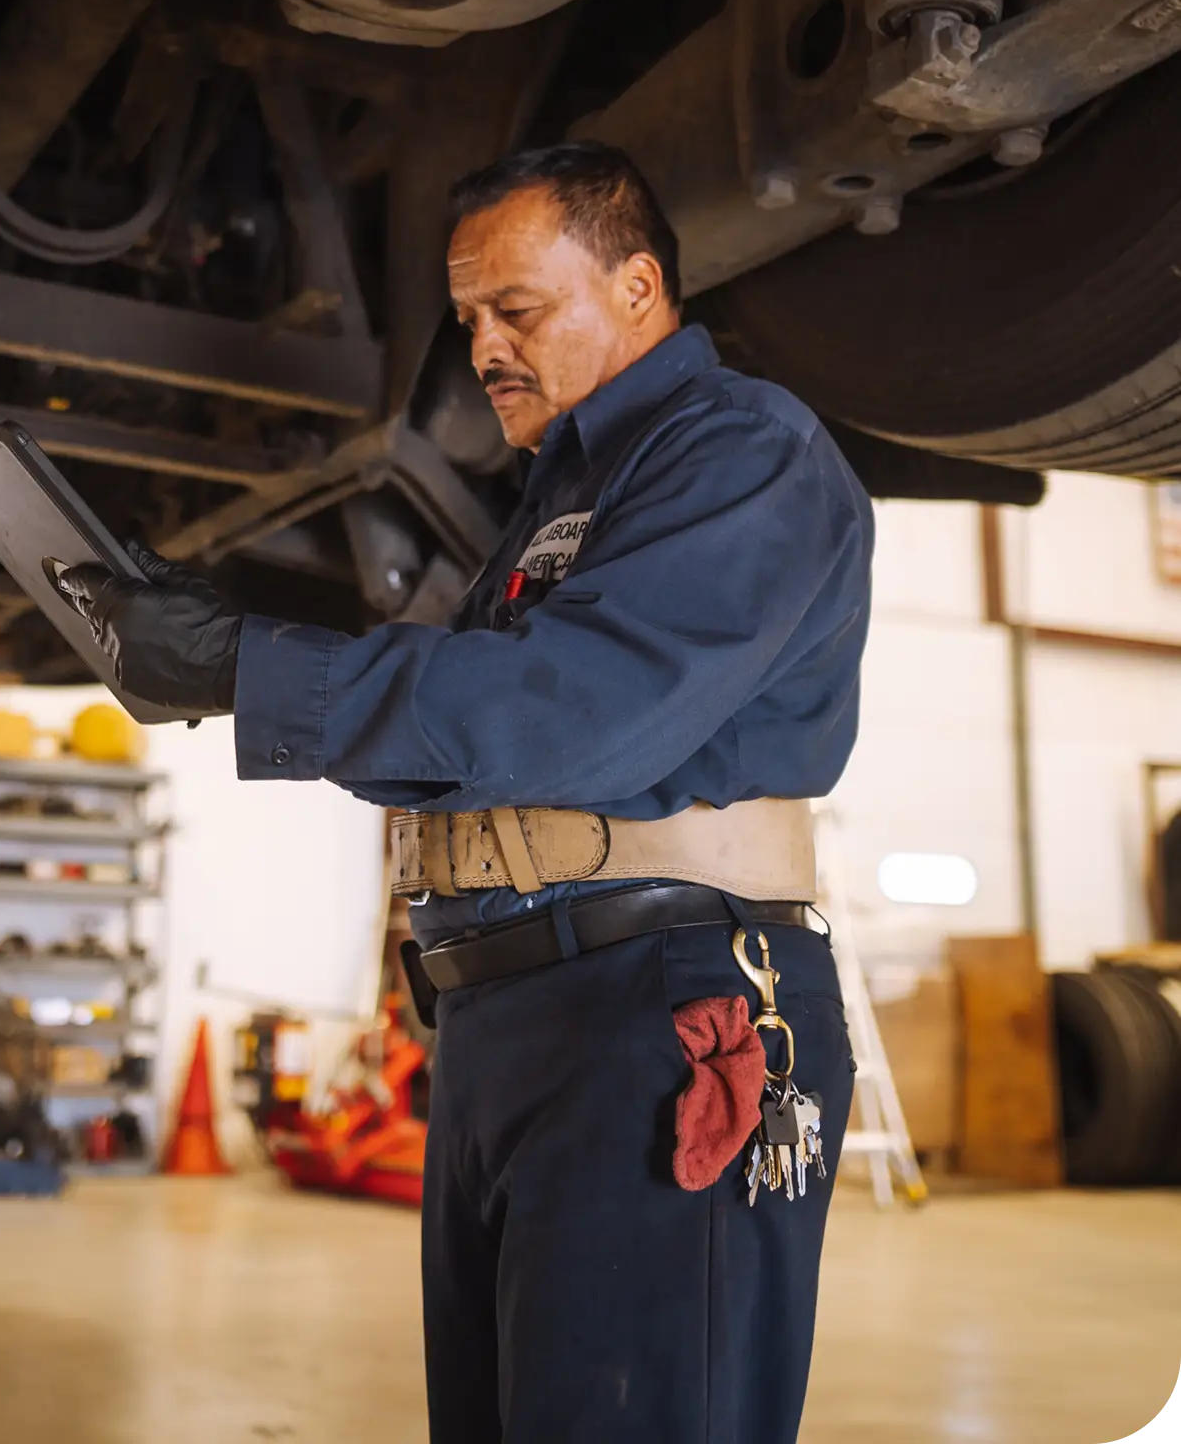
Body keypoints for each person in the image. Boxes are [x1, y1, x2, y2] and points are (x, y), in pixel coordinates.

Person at [59, 139, 872, 1444]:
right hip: (513, 1015)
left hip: (668, 1002)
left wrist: (248, 665)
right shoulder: (566, 495)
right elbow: (465, 737)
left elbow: (569, 714)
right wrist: (230, 652)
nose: (485, 347)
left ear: (640, 286)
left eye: (518, 311)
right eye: (469, 321)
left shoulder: (743, 452)